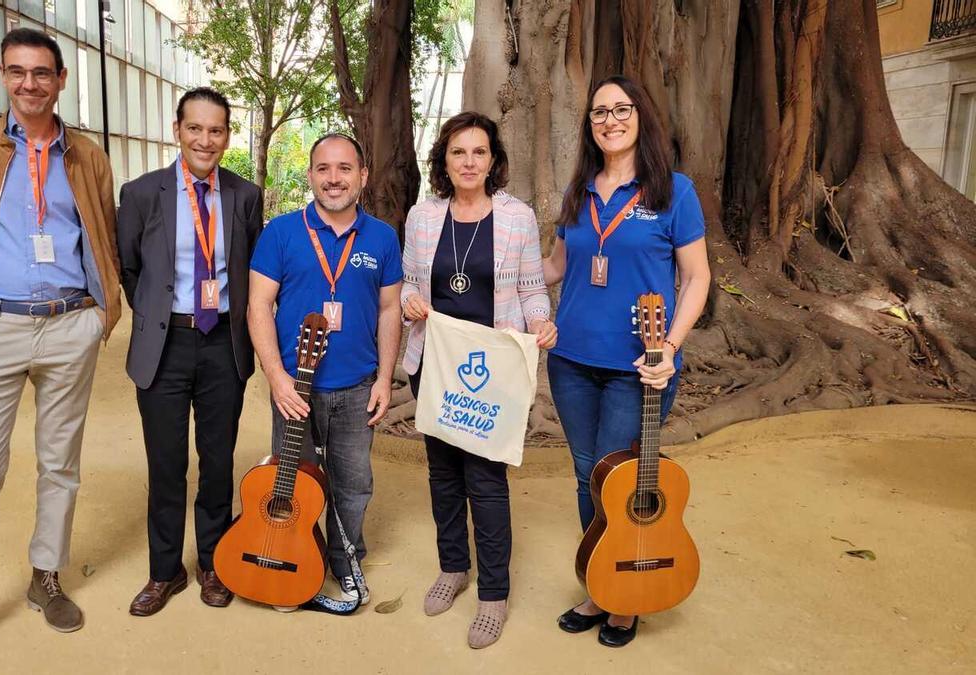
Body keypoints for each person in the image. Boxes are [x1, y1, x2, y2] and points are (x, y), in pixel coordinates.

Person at [0, 28, 121, 672]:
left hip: (70, 325)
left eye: (42, 73)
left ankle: (46, 574)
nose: (29, 83)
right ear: (4, 77)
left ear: (61, 80)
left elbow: (103, 234)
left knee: (60, 462)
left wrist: (101, 314)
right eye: (17, 72)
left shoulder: (87, 156)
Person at [543, 75, 711, 648]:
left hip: (639, 366)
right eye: (598, 113)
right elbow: (553, 267)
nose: (609, 120)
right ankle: (602, 581)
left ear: (640, 116)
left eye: (620, 109)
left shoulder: (672, 192)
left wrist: (668, 348)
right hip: (569, 361)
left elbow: (696, 277)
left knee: (618, 476)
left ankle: (623, 598)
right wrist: (479, 277)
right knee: (586, 473)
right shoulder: (579, 191)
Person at [400, 111, 556, 649]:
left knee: (486, 480)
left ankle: (493, 593)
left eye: (479, 152)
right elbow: (405, 287)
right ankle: (452, 568)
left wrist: (540, 320)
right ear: (444, 161)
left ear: (493, 160)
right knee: (442, 474)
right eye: (458, 152)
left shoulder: (517, 218)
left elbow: (534, 289)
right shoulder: (421, 218)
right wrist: (410, 302)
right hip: (435, 364)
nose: (469, 162)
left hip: (493, 369)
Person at [116, 87, 264, 614]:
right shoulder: (140, 194)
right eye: (195, 128)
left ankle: (214, 564)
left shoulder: (245, 197)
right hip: (165, 345)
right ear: (176, 129)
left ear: (227, 136)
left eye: (217, 130)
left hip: (224, 343)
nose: (206, 139)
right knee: (166, 462)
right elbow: (130, 270)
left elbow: (247, 273)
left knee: (218, 459)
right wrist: (163, 318)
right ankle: (164, 571)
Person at [248, 133, 402, 608]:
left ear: (362, 176)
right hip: (296, 389)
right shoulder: (280, 233)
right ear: (311, 174)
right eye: (323, 169)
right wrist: (277, 379)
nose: (334, 179)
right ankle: (290, 555)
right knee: (290, 482)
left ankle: (343, 559)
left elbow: (390, 309)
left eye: (344, 168)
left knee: (354, 483)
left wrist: (384, 378)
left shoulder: (381, 236)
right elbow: (258, 306)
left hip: (357, 388)